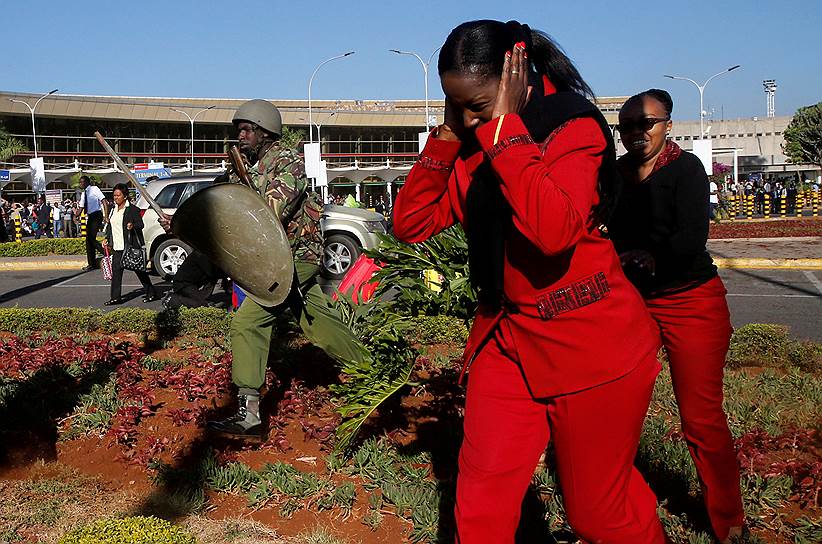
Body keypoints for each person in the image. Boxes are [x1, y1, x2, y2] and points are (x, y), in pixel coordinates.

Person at [393, 20, 667, 543]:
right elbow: (412, 222)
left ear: (517, 73)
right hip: (510, 341)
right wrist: (450, 134)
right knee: (480, 503)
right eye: (457, 105)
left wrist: (503, 134)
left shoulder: (573, 127)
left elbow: (554, 231)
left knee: (598, 514)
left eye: (477, 104)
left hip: (592, 346)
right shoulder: (472, 139)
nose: (471, 118)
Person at [162, 99, 372, 437]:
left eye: (247, 130)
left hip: (295, 257)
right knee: (320, 323)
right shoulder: (242, 166)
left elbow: (266, 213)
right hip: (271, 261)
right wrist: (184, 225)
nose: (241, 136)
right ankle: (372, 371)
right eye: (239, 130)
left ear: (265, 131)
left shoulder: (288, 163)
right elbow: (219, 211)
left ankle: (249, 415)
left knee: (247, 322)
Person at [608, 89, 745, 544]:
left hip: (692, 302)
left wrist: (647, 255)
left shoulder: (686, 169)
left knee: (701, 418)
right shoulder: (616, 175)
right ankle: (615, 508)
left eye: (645, 123)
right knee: (615, 409)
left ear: (667, 123)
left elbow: (691, 238)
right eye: (626, 126)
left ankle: (728, 522)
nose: (636, 133)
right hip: (637, 305)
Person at [102, 183, 156, 305]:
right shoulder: (112, 210)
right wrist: (106, 239)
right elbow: (111, 226)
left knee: (139, 271)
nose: (115, 198)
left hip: (130, 246)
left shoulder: (132, 210)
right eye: (114, 195)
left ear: (125, 196)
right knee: (116, 273)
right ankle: (115, 298)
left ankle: (151, 292)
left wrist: (132, 226)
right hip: (117, 247)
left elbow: (140, 225)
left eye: (118, 195)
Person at [78, 175, 108, 270]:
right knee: (89, 240)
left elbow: (104, 201)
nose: (80, 184)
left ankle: (106, 253)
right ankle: (91, 264)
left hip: (96, 215)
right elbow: (81, 208)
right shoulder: (84, 194)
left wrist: (106, 216)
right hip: (90, 217)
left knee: (91, 239)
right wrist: (75, 216)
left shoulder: (94, 189)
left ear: (86, 182)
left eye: (81, 182)